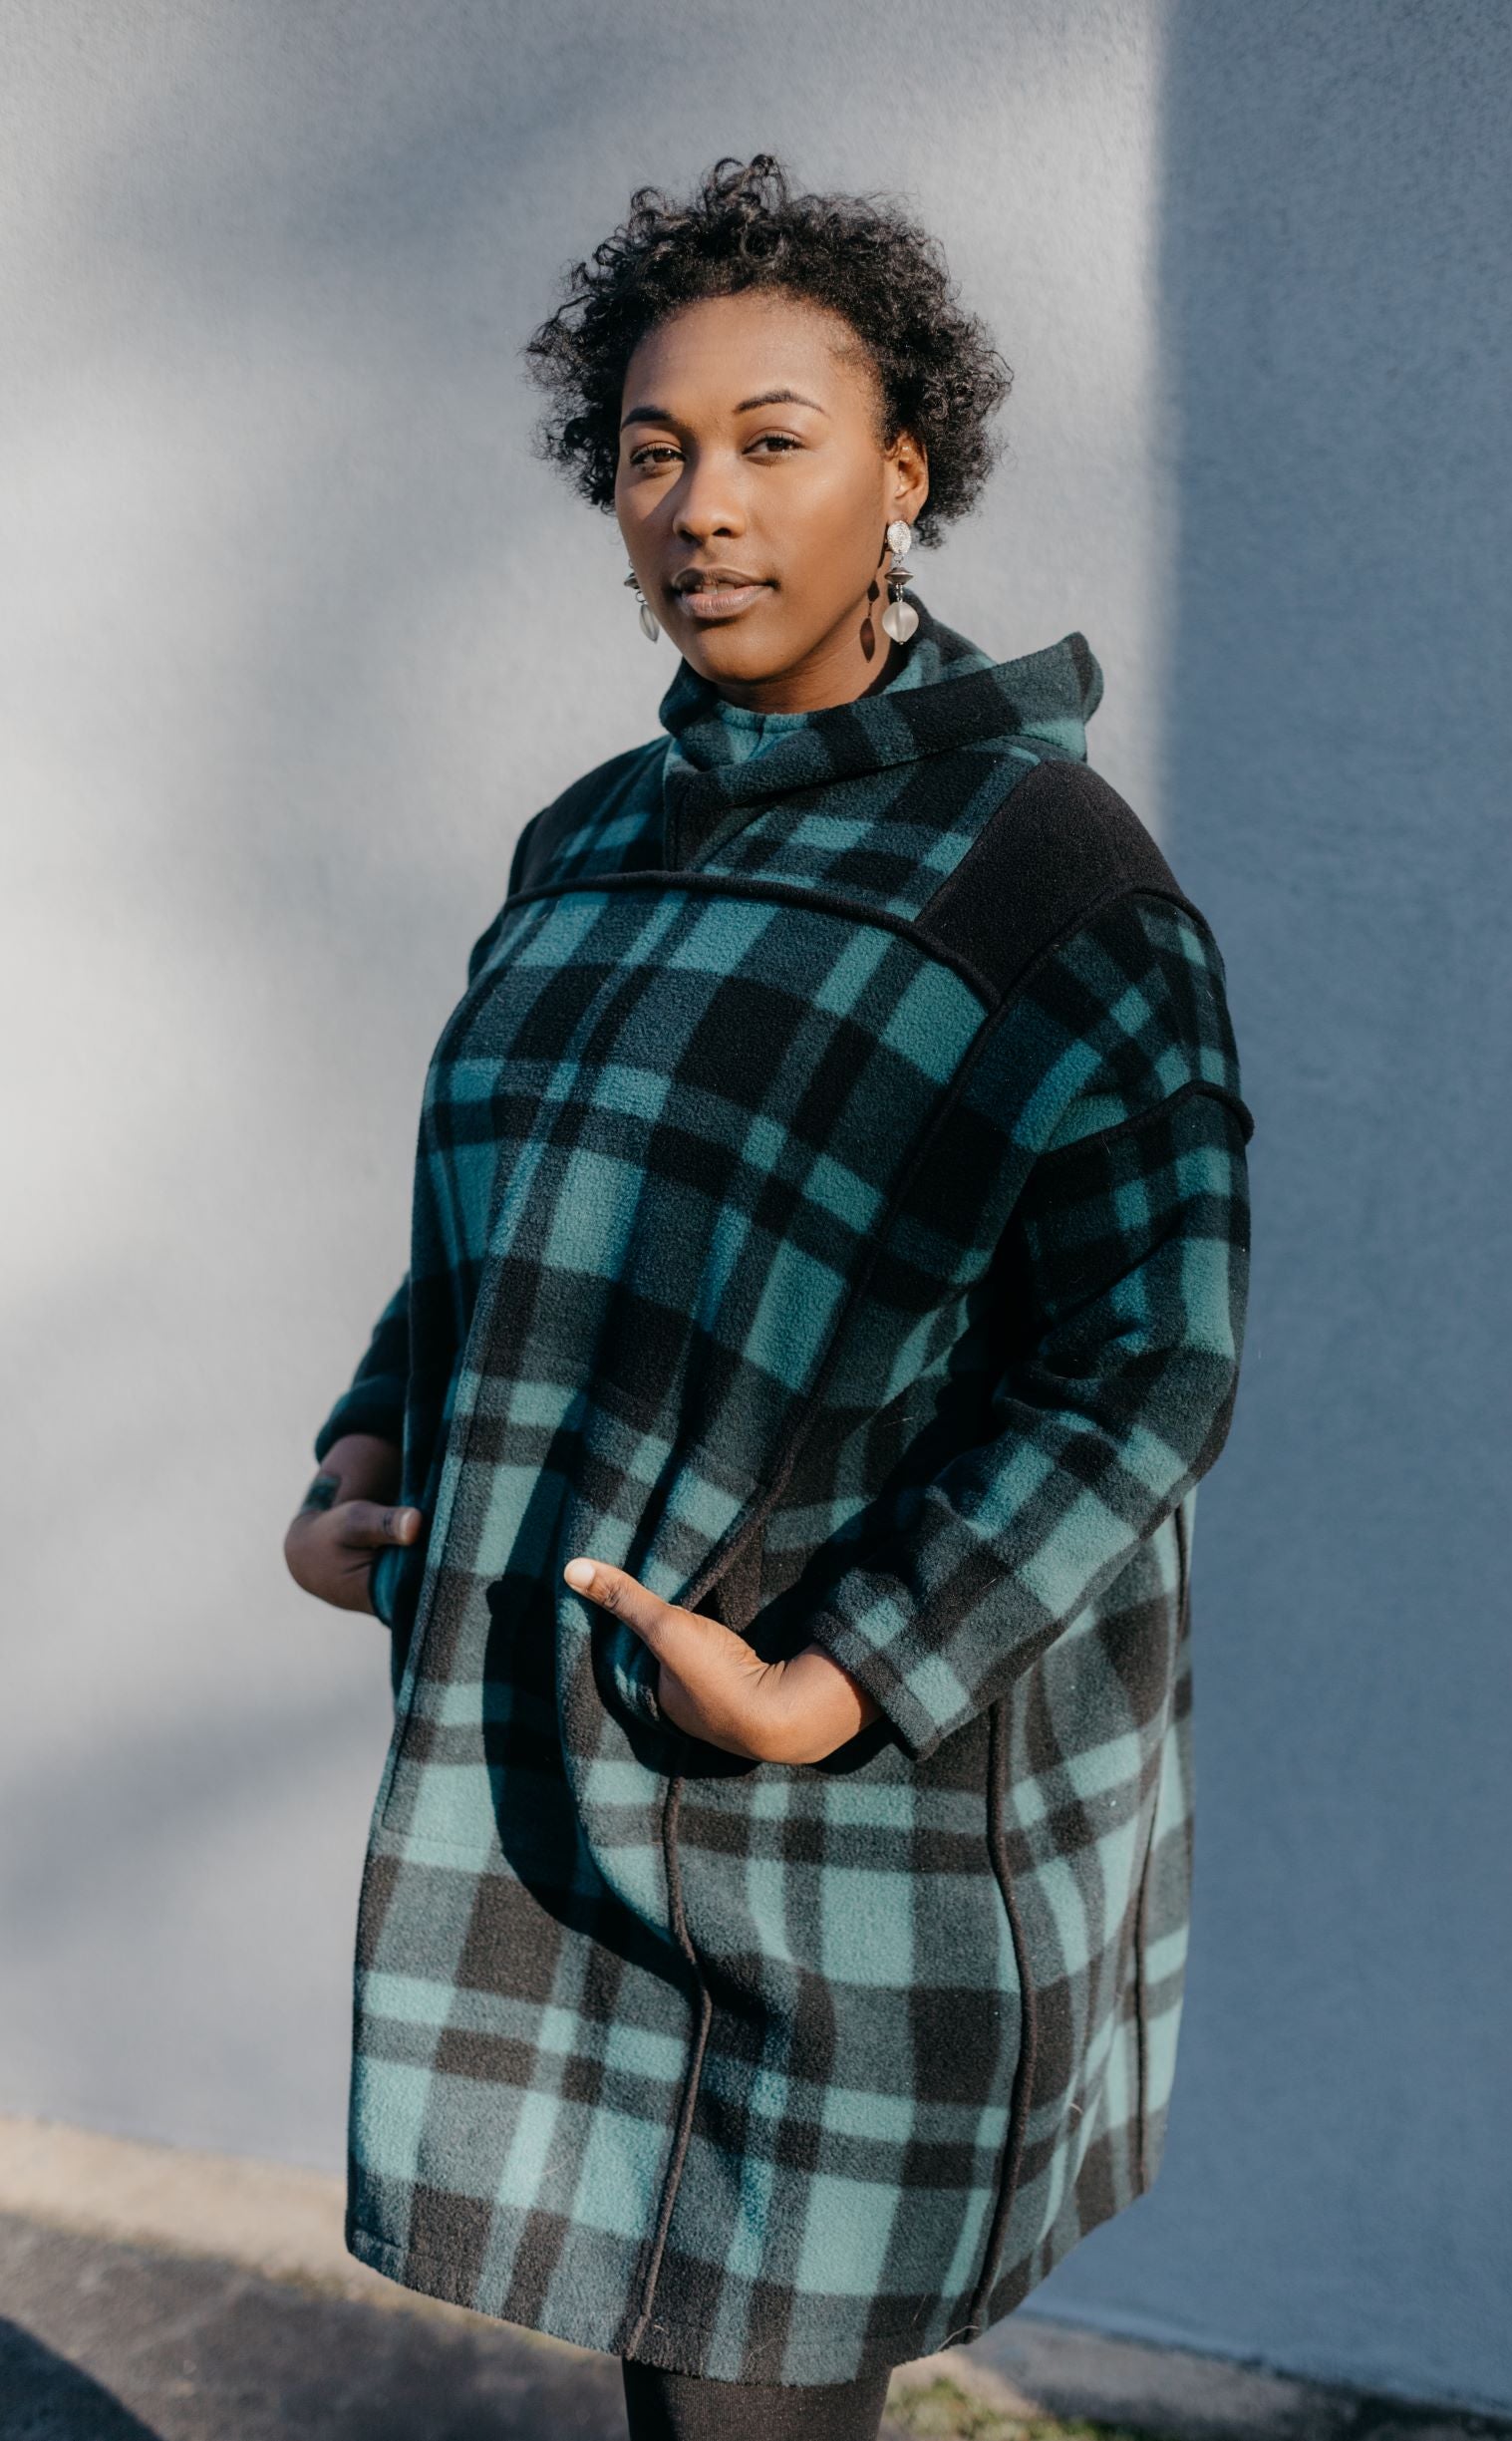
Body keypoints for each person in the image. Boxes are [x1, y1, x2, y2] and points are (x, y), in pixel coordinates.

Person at [284, 153, 1253, 2441]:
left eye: (773, 440)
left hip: (848, 1817)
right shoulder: (591, 834)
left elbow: (1153, 1354)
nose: (702, 505)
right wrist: (365, 1444)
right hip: (567, 1745)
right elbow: (503, 1208)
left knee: (752, 2401)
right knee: (664, 2365)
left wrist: (839, 1680)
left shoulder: (1052, 875)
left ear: (904, 474)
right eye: (651, 452)